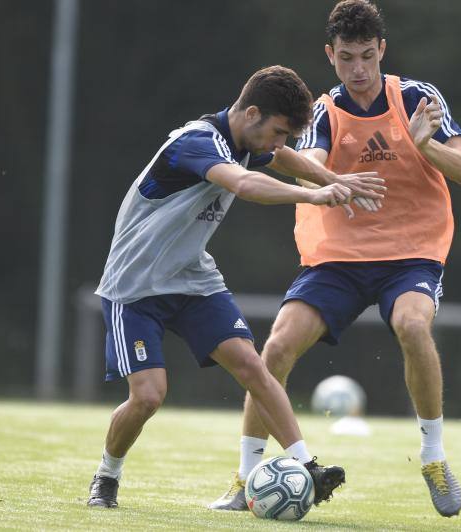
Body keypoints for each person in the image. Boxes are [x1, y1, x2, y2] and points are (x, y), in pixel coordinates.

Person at [210, 0, 461, 518]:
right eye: (347, 57)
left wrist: (427, 147)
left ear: (382, 52)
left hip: (412, 252)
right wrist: (333, 181)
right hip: (338, 256)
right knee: (277, 347)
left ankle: (434, 457)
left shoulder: (418, 98)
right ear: (330, 56)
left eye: (367, 57)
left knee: (413, 326)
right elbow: (305, 162)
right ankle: (244, 480)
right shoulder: (325, 110)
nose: (358, 69)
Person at [87, 65, 387, 509]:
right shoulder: (197, 142)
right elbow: (245, 185)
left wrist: (335, 180)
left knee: (253, 364)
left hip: (193, 280)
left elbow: (283, 159)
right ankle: (106, 477)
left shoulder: (248, 141)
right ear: (251, 114)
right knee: (149, 396)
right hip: (136, 285)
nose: (279, 143)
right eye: (279, 131)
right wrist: (312, 195)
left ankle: (308, 467)